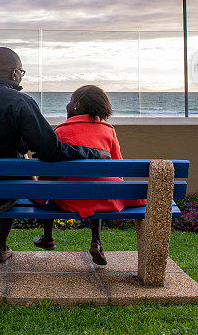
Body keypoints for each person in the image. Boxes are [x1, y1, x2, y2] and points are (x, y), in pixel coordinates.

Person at [0, 47, 110, 264]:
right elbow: (51, 149)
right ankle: (0, 246)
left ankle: (4, 246)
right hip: (1, 197)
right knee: (18, 168)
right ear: (14, 73)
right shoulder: (21, 102)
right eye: (22, 72)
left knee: (11, 163)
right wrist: (92, 153)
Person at [32, 85, 146, 265]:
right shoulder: (108, 130)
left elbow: (49, 172)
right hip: (103, 197)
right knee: (97, 186)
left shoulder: (61, 131)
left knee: (53, 188)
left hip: (69, 199)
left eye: (70, 101)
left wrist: (39, 196)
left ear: (77, 105)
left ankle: (48, 238)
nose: (67, 106)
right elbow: (118, 168)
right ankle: (96, 241)